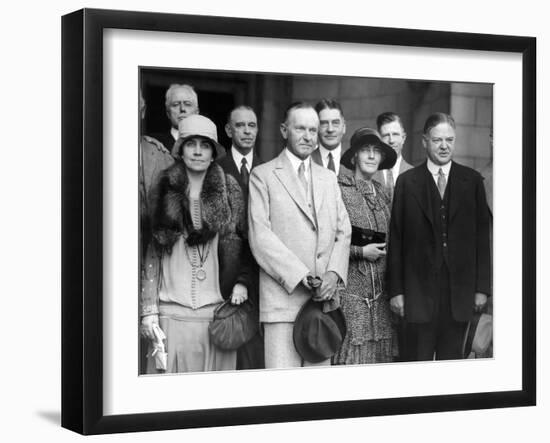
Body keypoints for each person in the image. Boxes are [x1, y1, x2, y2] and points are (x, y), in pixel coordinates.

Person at [140, 114, 251, 373]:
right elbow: (152, 253)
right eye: (191, 144)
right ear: (180, 150)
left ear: (214, 152)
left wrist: (242, 281)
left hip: (216, 317)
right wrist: (148, 311)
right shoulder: (163, 187)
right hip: (170, 316)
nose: (198, 151)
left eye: (205, 145)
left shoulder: (230, 190)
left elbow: (246, 244)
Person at [248, 102, 351, 369]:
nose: (308, 136)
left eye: (313, 130)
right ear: (284, 130)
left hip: (323, 304)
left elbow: (343, 230)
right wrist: (301, 275)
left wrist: (333, 274)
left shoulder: (328, 178)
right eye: (300, 128)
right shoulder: (263, 175)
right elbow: (260, 236)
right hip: (283, 302)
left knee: (319, 397)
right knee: (283, 395)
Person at [386, 112, 491, 361]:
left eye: (449, 140)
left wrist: (481, 289)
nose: (444, 146)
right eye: (437, 140)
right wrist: (397, 291)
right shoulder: (407, 182)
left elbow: (481, 239)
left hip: (460, 295)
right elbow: (397, 239)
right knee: (417, 364)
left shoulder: (473, 181)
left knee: (453, 367)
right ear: (424, 142)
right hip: (417, 295)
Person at [333, 128, 397, 364]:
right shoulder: (339, 190)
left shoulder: (384, 195)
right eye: (365, 151)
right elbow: (329, 243)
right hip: (351, 300)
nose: (371, 156)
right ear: (354, 157)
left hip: (381, 303)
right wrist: (361, 252)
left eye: (376, 151)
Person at [218, 105, 265, 370]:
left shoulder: (269, 169)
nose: (247, 131)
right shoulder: (216, 169)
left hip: (262, 277)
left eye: (252, 125)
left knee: (256, 357)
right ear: (228, 130)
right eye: (240, 125)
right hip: (225, 274)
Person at [374, 112, 413, 199]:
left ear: (403, 138)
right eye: (386, 135)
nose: (391, 140)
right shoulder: (369, 173)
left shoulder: (416, 175)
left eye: (395, 134)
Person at [151, 84, 199, 152]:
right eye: (176, 104)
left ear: (196, 112)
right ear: (168, 113)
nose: (182, 109)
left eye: (187, 104)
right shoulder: (153, 143)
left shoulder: (209, 144)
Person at [311, 99, 348, 175]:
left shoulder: (354, 162)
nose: (330, 129)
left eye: (335, 123)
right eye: (324, 123)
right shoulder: (306, 161)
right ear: (316, 127)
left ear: (344, 127)